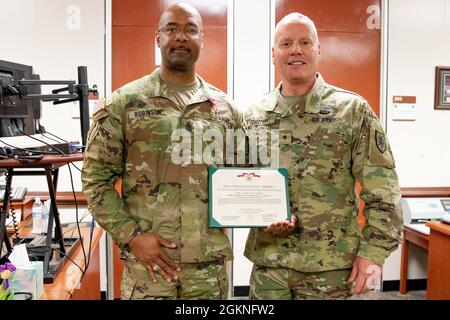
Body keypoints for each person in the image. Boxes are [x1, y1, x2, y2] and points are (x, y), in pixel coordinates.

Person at [82, 2, 241, 300]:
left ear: (202, 40)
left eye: (191, 30)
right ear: (158, 38)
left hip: (207, 271)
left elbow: (245, 177)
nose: (181, 37)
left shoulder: (227, 111)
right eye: (171, 29)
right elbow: (95, 181)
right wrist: (133, 237)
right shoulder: (124, 104)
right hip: (148, 270)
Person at [243, 12, 403, 299]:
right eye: (286, 43)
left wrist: (373, 253)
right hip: (270, 266)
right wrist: (257, 213)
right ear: (273, 54)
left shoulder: (352, 110)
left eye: (305, 42)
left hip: (330, 267)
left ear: (318, 50)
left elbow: (383, 190)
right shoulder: (255, 115)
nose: (295, 50)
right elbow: (242, 183)